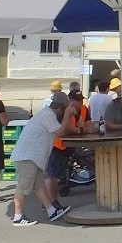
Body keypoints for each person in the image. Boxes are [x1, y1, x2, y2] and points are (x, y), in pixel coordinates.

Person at [9, 92, 72, 226]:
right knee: (23, 187)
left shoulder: (45, 113)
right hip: (27, 157)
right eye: (64, 110)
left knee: (39, 186)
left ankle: (51, 211)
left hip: (31, 157)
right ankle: (18, 216)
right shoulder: (48, 115)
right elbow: (60, 133)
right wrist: (68, 116)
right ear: (60, 108)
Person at [45, 89, 88, 204]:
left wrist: (88, 127)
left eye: (81, 100)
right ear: (70, 100)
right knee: (52, 175)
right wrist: (80, 130)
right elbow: (63, 128)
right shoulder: (64, 110)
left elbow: (88, 122)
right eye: (76, 100)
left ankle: (51, 201)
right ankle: (49, 203)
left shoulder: (84, 109)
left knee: (57, 174)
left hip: (72, 145)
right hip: (58, 145)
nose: (80, 103)